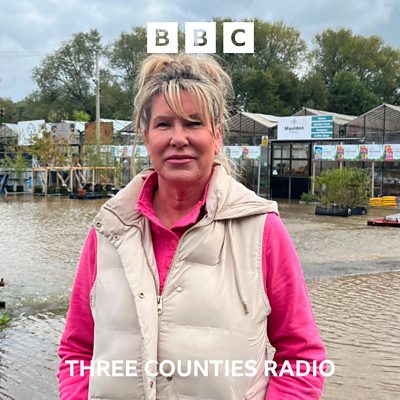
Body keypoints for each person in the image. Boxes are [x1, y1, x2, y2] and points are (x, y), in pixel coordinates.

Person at [58, 54, 327, 399]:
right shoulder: (109, 229)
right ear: (146, 137)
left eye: (194, 123)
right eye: (164, 124)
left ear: (217, 136)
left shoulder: (261, 229)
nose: (179, 138)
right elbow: (78, 350)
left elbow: (302, 359)